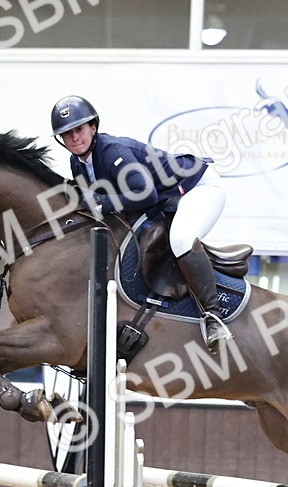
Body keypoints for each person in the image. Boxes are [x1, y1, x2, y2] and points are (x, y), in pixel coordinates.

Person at [50, 95, 232, 352]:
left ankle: (213, 318)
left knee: (180, 239)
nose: (74, 138)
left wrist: (103, 204)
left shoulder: (111, 151)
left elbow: (145, 194)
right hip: (167, 199)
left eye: (78, 129)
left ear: (93, 127)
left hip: (197, 187)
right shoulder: (77, 163)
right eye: (66, 134)